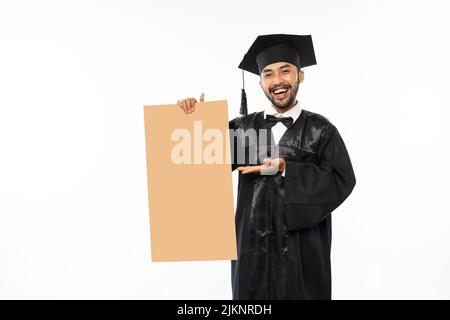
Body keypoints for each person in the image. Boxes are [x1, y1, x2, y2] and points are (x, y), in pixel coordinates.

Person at [177, 34, 356, 299]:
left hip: (302, 254)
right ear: (260, 82)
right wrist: (194, 124)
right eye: (268, 74)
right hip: (252, 253)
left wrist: (287, 169)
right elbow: (202, 169)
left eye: (285, 71)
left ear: (300, 76)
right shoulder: (244, 128)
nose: (277, 81)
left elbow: (341, 179)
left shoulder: (322, 130)